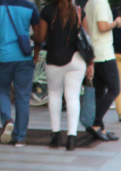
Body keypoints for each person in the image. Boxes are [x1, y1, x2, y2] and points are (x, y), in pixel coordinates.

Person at [39, 0, 91, 150]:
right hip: (76, 59)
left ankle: (56, 135)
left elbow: (41, 36)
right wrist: (91, 63)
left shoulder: (47, 11)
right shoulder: (79, 12)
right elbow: (87, 38)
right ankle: (72, 137)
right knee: (73, 97)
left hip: (54, 58)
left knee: (54, 94)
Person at [0, 0, 40, 147]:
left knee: (2, 91)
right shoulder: (30, 6)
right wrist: (35, 56)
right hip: (24, 58)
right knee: (22, 97)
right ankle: (20, 138)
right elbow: (39, 34)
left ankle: (7, 121)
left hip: (3, 57)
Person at [83, 0, 121, 141]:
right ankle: (95, 122)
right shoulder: (101, 3)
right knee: (115, 88)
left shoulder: (89, 3)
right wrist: (116, 23)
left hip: (94, 51)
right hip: (104, 53)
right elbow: (102, 26)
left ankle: (101, 127)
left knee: (100, 91)